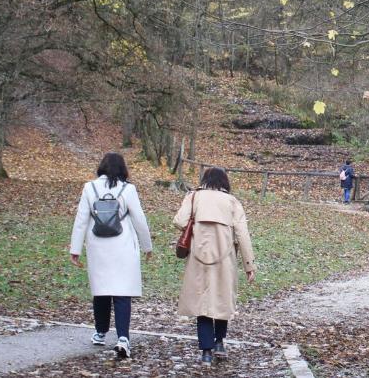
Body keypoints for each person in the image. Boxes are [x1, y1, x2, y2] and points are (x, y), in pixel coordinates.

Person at [69, 152, 153, 359]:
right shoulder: (128, 189)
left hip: (98, 245)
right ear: (123, 168)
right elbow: (139, 219)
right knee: (122, 292)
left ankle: (100, 332)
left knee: (101, 290)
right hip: (123, 245)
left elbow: (81, 219)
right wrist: (147, 246)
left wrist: (75, 249)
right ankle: (123, 337)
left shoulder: (90, 187)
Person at [173, 167, 256, 366]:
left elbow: (179, 221)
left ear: (205, 180)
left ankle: (206, 352)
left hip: (197, 258)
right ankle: (219, 342)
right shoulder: (232, 202)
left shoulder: (194, 197)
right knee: (222, 300)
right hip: (225, 259)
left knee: (201, 304)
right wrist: (249, 266)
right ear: (225, 182)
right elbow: (243, 235)